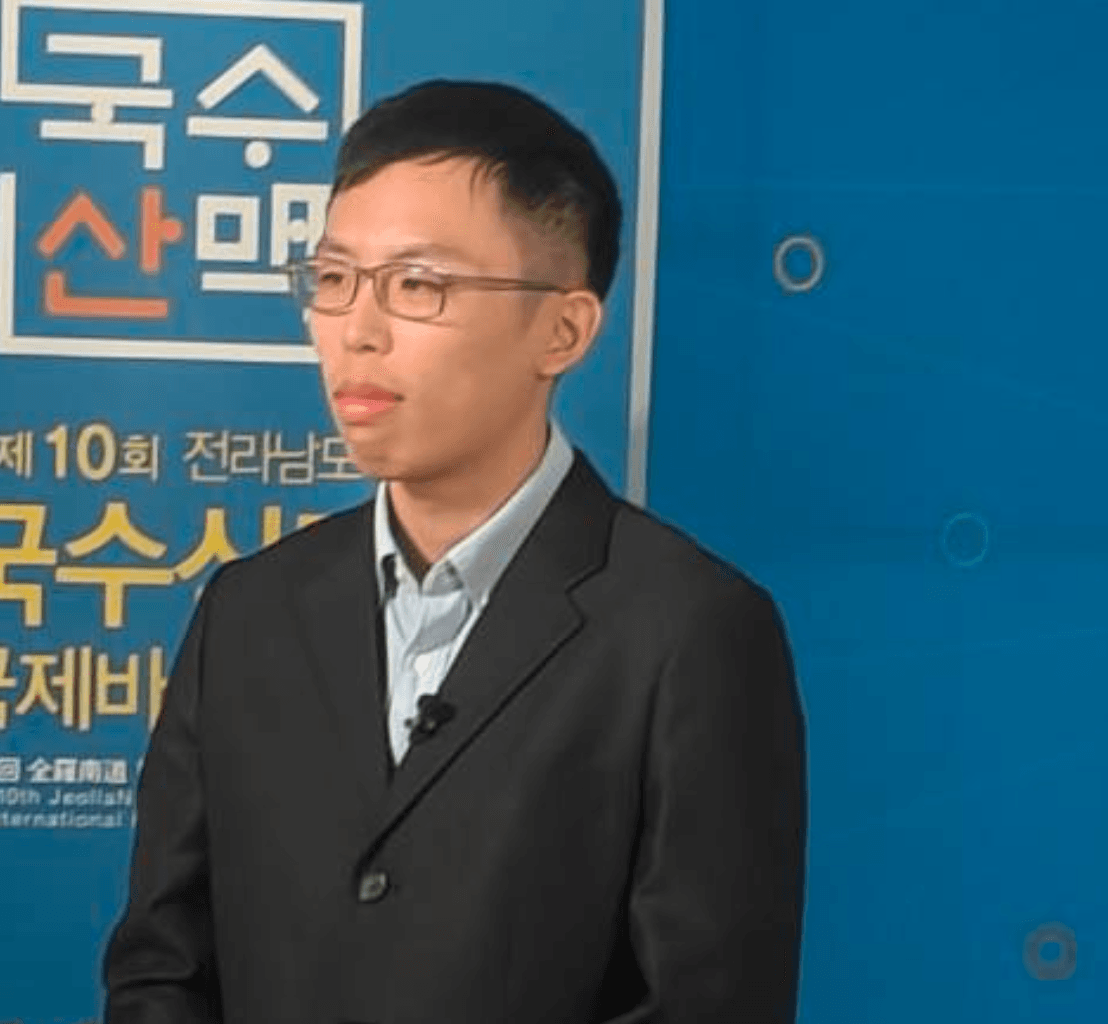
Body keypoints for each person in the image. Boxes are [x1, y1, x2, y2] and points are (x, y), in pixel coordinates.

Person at [101, 79, 806, 1024]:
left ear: (562, 330)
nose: (357, 332)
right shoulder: (248, 610)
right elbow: (162, 966)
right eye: (333, 279)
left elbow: (707, 1004)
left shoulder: (691, 631)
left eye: (418, 286)